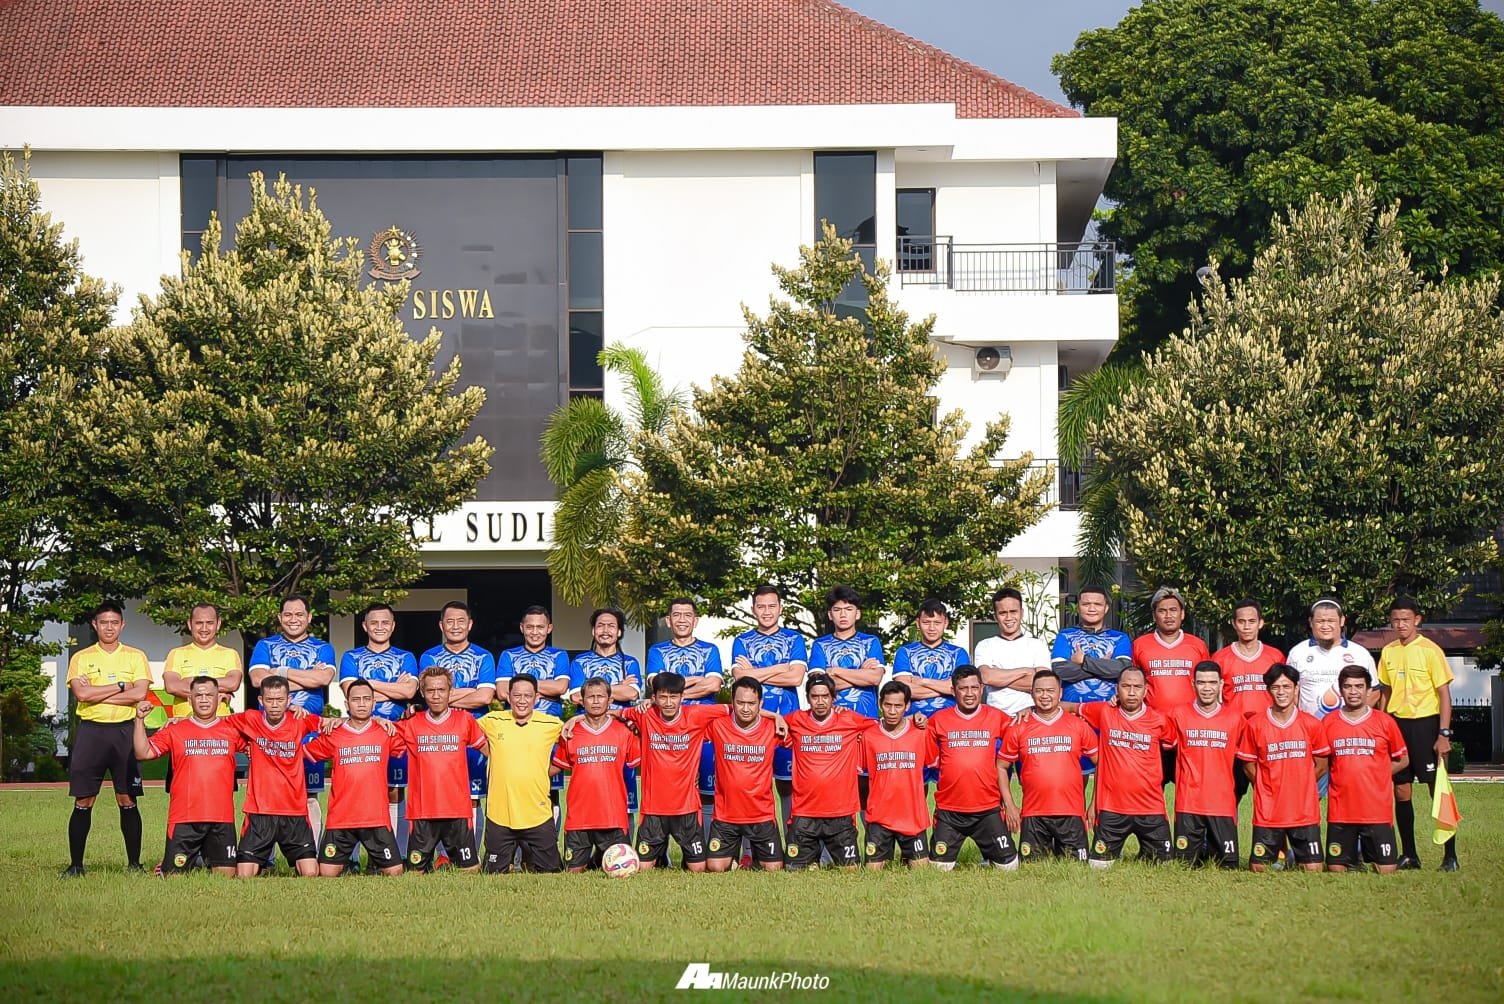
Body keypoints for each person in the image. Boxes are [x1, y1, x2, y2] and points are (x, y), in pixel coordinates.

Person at [62, 601, 152, 877]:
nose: (109, 627)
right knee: (84, 799)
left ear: (122, 625)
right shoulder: (82, 657)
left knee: (127, 797)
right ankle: (76, 865)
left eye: (114, 622)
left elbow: (140, 694)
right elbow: (83, 695)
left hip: (125, 731)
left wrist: (101, 691)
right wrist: (123, 686)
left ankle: (134, 864)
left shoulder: (136, 657)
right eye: (104, 622)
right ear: (95, 625)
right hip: (92, 731)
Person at [1376, 597, 1458, 871]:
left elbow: (1444, 694)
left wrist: (1443, 734)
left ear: (1417, 620)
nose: (1400, 624)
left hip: (1426, 724)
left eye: (1406, 620)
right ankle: (1410, 854)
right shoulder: (1387, 651)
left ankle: (1450, 855)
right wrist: (1382, 725)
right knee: (1401, 789)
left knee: (1437, 789)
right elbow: (1385, 693)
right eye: (1396, 620)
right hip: (1397, 725)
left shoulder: (1431, 650)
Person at [132, 676, 243, 876]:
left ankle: (198, 859)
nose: (204, 699)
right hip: (185, 817)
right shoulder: (175, 729)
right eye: (198, 695)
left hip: (221, 817)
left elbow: (260, 743)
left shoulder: (232, 730)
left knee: (226, 874)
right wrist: (139, 720)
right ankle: (175, 861)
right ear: (189, 700)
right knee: (174, 876)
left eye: (209, 695)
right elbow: (143, 752)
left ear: (220, 699)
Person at [247, 595, 336, 835]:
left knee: (309, 793)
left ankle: (312, 852)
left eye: (299, 615)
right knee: (269, 793)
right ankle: (265, 857)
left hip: (308, 734)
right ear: (279, 617)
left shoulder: (323, 648)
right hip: (271, 734)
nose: (293, 619)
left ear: (309, 617)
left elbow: (323, 679)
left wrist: (279, 672)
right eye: (287, 614)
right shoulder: (265, 646)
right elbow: (257, 680)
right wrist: (307, 677)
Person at [302, 679, 406, 877]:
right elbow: (304, 752)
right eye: (356, 699)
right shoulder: (334, 733)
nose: (361, 703)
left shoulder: (386, 732)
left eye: (366, 699)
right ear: (346, 704)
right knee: (325, 872)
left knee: (395, 871)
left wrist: (380, 721)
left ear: (374, 704)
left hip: (376, 818)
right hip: (341, 818)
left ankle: (373, 863)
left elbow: (414, 736)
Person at [339, 602, 418, 858]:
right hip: (358, 735)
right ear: (365, 626)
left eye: (385, 622)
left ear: (393, 626)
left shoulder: (406, 657)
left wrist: (366, 688)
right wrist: (392, 688)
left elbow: (409, 692)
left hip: (394, 734)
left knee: (395, 790)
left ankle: (398, 853)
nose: (380, 627)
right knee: (355, 790)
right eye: (374, 622)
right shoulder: (351, 657)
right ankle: (350, 857)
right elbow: (350, 690)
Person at [780, 672, 879, 869]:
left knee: (851, 870)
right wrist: (773, 716)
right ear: (807, 698)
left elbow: (882, 728)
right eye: (814, 696)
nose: (820, 701)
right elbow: (766, 724)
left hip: (840, 813)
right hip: (804, 813)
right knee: (794, 871)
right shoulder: (795, 720)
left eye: (825, 696)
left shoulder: (850, 719)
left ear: (834, 698)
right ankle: (812, 859)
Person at [997, 671, 1099, 861]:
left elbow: (1101, 763)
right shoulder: (1019, 726)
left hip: (1071, 813)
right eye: (1040, 691)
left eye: (1050, 691)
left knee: (1075, 870)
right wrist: (1010, 805)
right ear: (1032, 693)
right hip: (1034, 814)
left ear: (1060, 693)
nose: (1045, 696)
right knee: (1033, 870)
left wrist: (1094, 803)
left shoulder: (1078, 725)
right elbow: (1001, 766)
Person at [1239, 663, 1331, 872]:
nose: (1282, 692)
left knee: (1314, 868)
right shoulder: (1255, 725)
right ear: (1268, 690)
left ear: (1296, 689)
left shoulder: (1311, 724)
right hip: (1269, 810)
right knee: (1259, 869)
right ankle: (1283, 854)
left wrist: (1302, 784)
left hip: (1303, 809)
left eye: (1287, 686)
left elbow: (1322, 765)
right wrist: (1266, 786)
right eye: (1276, 687)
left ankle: (1292, 855)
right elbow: (1249, 765)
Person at [227, 676, 322, 877]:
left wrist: (376, 721)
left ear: (289, 701)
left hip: (294, 811)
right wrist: (179, 721)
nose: (275, 705)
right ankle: (259, 862)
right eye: (270, 700)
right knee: (244, 875)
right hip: (260, 810)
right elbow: (213, 722)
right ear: (261, 701)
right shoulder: (250, 719)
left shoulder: (300, 720)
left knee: (311, 873)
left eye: (280, 700)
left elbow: (333, 725)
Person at [397, 666, 489, 873]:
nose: (436, 696)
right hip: (423, 812)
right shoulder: (411, 724)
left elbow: (489, 752)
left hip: (457, 810)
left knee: (471, 871)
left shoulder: (465, 720)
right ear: (422, 692)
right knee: (414, 873)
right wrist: (378, 720)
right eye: (430, 691)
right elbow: (379, 734)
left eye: (441, 690)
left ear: (450, 692)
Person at [418, 600, 497, 841]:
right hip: (437, 733)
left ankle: (469, 852)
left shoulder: (483, 656)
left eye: (461, 621)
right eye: (449, 621)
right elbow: (430, 694)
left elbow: (485, 696)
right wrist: (468, 691)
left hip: (473, 732)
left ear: (470, 624)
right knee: (438, 794)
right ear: (441, 625)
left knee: (474, 795)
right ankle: (442, 854)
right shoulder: (429, 656)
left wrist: (444, 698)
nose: (455, 626)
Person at [1079, 666, 1174, 867]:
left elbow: (1172, 748)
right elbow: (1069, 708)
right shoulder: (1104, 711)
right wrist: (1030, 709)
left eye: (1137, 687)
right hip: (1112, 808)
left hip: (1150, 807)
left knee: (1165, 866)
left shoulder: (1160, 720)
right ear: (1116, 689)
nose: (1131, 692)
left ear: (1146, 690)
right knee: (1098, 866)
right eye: (1126, 686)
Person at [645, 597, 725, 837]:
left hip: (704, 730)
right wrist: (695, 680)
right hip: (668, 732)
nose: (682, 620)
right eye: (676, 615)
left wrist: (674, 689)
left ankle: (710, 846)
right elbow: (654, 684)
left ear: (696, 620)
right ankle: (662, 853)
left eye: (687, 615)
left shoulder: (709, 650)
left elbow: (714, 685)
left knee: (708, 790)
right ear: (668, 621)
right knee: (666, 790)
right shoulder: (657, 650)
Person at [925, 666, 1017, 870]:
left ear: (982, 688)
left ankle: (991, 857)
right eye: (963, 688)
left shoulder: (997, 717)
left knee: (1009, 867)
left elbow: (1020, 733)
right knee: (938, 870)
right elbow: (925, 750)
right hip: (950, 810)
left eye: (974, 687)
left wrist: (1028, 711)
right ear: (953, 691)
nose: (969, 693)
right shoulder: (938, 720)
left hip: (987, 808)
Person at [729, 585, 807, 825]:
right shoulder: (742, 641)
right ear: (753, 610)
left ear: (781, 608)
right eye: (761, 606)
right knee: (750, 784)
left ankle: (792, 846)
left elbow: (796, 678)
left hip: (787, 722)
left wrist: (754, 672)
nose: (766, 611)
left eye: (772, 606)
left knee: (788, 784)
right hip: (753, 722)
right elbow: (741, 680)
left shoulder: (794, 638)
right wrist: (780, 667)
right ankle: (751, 850)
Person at [1321, 666, 1410, 874]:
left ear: (1369, 690)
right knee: (1335, 868)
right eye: (1348, 687)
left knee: (1387, 869)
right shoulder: (1328, 722)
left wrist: (1379, 774)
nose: (1353, 691)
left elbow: (1403, 759)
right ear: (1340, 690)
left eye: (1359, 686)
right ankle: (1352, 860)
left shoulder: (1384, 722)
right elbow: (1321, 761)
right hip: (1341, 811)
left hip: (1376, 811)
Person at [552, 677, 641, 872]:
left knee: (619, 870)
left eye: (600, 696)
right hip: (579, 817)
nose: (595, 701)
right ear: (581, 701)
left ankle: (599, 857)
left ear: (610, 700)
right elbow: (555, 768)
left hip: (613, 816)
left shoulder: (624, 731)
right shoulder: (570, 732)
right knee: (573, 871)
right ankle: (593, 859)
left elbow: (644, 762)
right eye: (590, 697)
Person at [478, 674, 564, 873]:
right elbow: (463, 728)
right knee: (492, 874)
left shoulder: (551, 724)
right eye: (517, 695)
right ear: (508, 697)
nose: (522, 701)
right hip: (499, 814)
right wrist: (489, 751)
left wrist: (550, 769)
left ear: (537, 697)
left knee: (552, 872)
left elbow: (578, 734)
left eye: (527, 695)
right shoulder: (492, 720)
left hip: (537, 813)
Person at [567, 607, 644, 827]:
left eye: (611, 626)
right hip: (588, 732)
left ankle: (623, 850)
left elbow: (633, 693)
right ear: (593, 631)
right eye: (600, 625)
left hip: (620, 733)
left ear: (619, 632)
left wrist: (592, 692)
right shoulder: (580, 662)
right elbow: (574, 696)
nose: (605, 630)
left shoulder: (629, 662)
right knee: (589, 790)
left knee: (625, 793)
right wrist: (619, 687)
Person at [495, 604, 572, 825]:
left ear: (549, 628)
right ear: (522, 628)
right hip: (515, 731)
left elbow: (561, 687)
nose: (535, 631)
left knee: (550, 789)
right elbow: (501, 692)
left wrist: (520, 687)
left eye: (540, 627)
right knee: (516, 785)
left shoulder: (559, 655)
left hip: (548, 732)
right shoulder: (509, 655)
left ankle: (548, 850)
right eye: (530, 627)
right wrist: (546, 687)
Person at [1166, 661, 1246, 868]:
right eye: (1201, 683)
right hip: (1188, 802)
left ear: (1221, 684)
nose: (1207, 688)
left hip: (1222, 803)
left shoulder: (1235, 718)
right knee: (1184, 865)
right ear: (1193, 684)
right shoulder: (1177, 715)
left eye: (1212, 682)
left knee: (1228, 866)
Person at [704, 678, 786, 872]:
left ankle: (755, 858)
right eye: (740, 703)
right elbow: (687, 722)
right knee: (715, 867)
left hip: (761, 814)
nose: (746, 708)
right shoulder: (717, 726)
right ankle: (732, 858)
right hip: (726, 815)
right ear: (732, 702)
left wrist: (775, 717)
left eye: (752, 703)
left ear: (761, 703)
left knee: (773, 868)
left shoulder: (774, 728)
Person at [1134, 587, 1209, 788]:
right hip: (1153, 729)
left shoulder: (1197, 645)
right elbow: (1133, 682)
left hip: (1189, 729)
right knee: (1149, 787)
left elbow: (1208, 685)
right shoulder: (1141, 645)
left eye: (1173, 610)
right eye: (1162, 610)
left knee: (1191, 787)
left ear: (1182, 614)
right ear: (1154, 615)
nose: (1168, 616)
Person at [1210, 599, 1281, 806]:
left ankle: (1271, 837)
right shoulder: (1221, 658)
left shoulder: (1274, 657)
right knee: (1230, 796)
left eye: (1252, 621)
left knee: (1271, 793)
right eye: (1242, 621)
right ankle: (1224, 838)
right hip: (1235, 737)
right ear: (1234, 623)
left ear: (1260, 623)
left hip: (1268, 736)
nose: (1247, 626)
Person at [860, 681, 935, 870]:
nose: (892, 711)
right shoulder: (868, 736)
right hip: (879, 817)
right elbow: (858, 775)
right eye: (888, 705)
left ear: (907, 706)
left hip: (912, 817)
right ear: (880, 704)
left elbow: (937, 767)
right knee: (872, 872)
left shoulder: (921, 733)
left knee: (922, 872)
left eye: (898, 706)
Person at [1287, 598, 1376, 719]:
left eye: (1331, 621)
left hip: (1346, 731)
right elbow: (1290, 692)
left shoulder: (1360, 653)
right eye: (1320, 621)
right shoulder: (1297, 653)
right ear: (1311, 622)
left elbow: (1374, 692)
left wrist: (1356, 719)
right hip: (1310, 730)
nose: (1325, 626)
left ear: (1342, 621)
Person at [1050, 585, 1131, 713]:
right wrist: (1102, 665)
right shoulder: (1065, 635)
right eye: (1086, 604)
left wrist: (1084, 660)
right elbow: (1061, 670)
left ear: (1106, 608)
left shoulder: (1119, 638)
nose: (1092, 609)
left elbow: (1122, 669)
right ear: (1078, 607)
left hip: (1110, 712)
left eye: (1098, 604)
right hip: (1071, 711)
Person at [809, 585, 884, 719]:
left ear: (858, 613)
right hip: (831, 719)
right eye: (837, 610)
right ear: (830, 615)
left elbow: (874, 678)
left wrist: (835, 671)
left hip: (866, 719)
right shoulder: (820, 644)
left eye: (849, 609)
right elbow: (818, 686)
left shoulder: (871, 642)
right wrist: (861, 674)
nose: (843, 615)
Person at [975, 587, 1051, 720]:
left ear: (1021, 613)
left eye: (1013, 611)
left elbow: (1042, 684)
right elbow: (986, 677)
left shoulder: (1037, 645)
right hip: (996, 718)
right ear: (995, 616)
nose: (1009, 617)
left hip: (1030, 717)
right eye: (1003, 612)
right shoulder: (985, 645)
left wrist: (998, 677)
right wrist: (1026, 671)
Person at [161, 602, 242, 720]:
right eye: (199, 623)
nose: (204, 628)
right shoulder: (176, 654)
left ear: (218, 624)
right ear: (190, 624)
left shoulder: (230, 654)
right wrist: (213, 693)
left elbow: (233, 683)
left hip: (219, 724)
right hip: (184, 723)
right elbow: (172, 686)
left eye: (209, 623)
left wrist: (191, 681)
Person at [892, 598, 969, 718]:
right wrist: (946, 688)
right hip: (913, 720)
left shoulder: (958, 653)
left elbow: (961, 688)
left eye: (937, 623)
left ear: (946, 623)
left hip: (950, 720)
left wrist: (922, 681)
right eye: (926, 622)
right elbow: (904, 691)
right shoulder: (905, 652)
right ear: (918, 624)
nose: (931, 628)